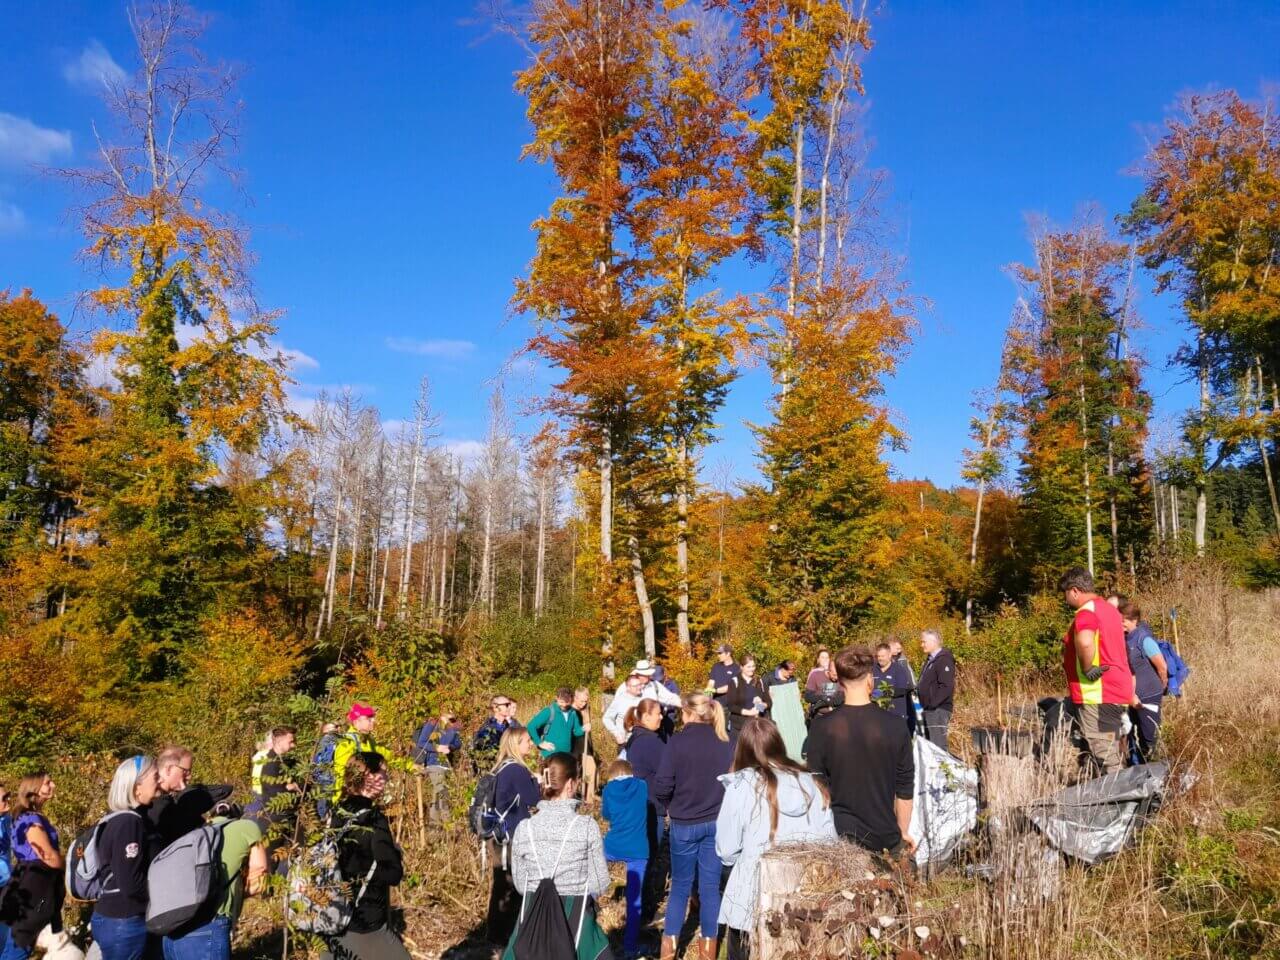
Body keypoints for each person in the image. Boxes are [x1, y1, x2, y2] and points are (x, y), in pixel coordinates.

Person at [715, 719, 836, 960]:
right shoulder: (810, 782)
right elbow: (829, 841)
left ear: (743, 749)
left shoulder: (743, 785)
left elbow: (726, 850)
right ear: (778, 744)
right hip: (804, 892)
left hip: (753, 895)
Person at [805, 646, 916, 859]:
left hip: (840, 837)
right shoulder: (895, 726)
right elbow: (904, 789)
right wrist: (903, 831)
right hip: (886, 837)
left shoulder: (823, 727)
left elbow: (816, 783)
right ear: (870, 680)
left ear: (839, 682)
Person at [503, 754, 611, 960]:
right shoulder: (586, 826)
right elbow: (600, 882)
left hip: (533, 918)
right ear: (571, 784)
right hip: (575, 920)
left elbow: (520, 884)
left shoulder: (525, 828)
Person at [654, 693, 733, 960]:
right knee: (710, 888)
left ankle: (668, 951)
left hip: (684, 822)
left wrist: (669, 805)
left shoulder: (677, 743)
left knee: (680, 886)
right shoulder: (726, 741)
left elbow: (662, 785)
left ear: (688, 713)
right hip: (715, 821)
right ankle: (708, 951)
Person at [323, 752, 409, 960]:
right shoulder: (373, 818)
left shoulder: (338, 811)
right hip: (366, 921)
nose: (386, 779)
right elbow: (392, 875)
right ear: (368, 776)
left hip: (334, 914)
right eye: (383, 773)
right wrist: (395, 854)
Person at [162, 800, 267, 960]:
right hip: (209, 926)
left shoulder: (195, 833)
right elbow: (260, 879)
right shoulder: (247, 827)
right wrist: (236, 892)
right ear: (237, 813)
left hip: (170, 933)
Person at [1059, 567, 1133, 775]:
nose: (1066, 600)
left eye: (1066, 595)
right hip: (1115, 691)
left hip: (1098, 694)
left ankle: (1121, 802)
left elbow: (1084, 641)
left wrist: (1087, 667)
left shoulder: (1087, 611)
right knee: (1113, 749)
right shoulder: (1109, 610)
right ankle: (1119, 796)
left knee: (1105, 754)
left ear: (1074, 591)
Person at [92, 756, 161, 960]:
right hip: (124, 920)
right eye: (155, 777)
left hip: (117, 919)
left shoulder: (118, 819)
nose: (159, 782)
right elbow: (130, 882)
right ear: (136, 786)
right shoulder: (129, 823)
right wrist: (161, 896)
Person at [485, 727, 540, 947]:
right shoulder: (517, 770)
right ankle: (505, 934)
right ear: (516, 744)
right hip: (511, 836)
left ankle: (495, 933)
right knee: (512, 884)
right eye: (527, 741)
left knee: (501, 884)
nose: (531, 744)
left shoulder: (501, 766)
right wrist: (537, 780)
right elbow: (534, 798)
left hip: (498, 834)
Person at [0, 773, 64, 960]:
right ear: (34, 788)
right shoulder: (29, 820)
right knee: (18, 947)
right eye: (47, 782)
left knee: (16, 945)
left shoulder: (21, 818)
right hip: (33, 887)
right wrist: (67, 864)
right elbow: (48, 856)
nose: (52, 785)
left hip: (27, 886)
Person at [623, 699, 668, 917]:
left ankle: (640, 909)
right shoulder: (650, 742)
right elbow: (668, 772)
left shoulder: (637, 737)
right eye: (658, 713)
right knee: (646, 860)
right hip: (651, 806)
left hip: (641, 804)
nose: (661, 717)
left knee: (643, 859)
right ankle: (641, 912)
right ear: (646, 716)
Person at [601, 760, 648, 960]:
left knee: (593, 874)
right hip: (638, 848)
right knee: (634, 899)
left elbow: (606, 815)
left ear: (612, 775)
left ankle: (589, 904)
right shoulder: (642, 786)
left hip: (612, 845)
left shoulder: (608, 789)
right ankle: (630, 947)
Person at [330, 703, 419, 802]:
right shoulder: (347, 743)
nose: (373, 720)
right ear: (356, 721)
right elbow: (341, 776)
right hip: (348, 803)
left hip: (364, 799)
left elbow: (389, 757)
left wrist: (411, 766)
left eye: (373, 717)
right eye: (369, 718)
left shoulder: (368, 741)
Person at [146, 747, 233, 846]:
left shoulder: (165, 800)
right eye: (185, 771)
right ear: (169, 769)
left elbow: (226, 789)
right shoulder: (154, 804)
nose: (189, 776)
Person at [1119, 599, 1169, 764]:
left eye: (1123, 621)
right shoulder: (1124, 638)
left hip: (1148, 695)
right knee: (1132, 734)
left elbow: (1161, 667)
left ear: (1134, 620)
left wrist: (1161, 688)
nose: (1121, 625)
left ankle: (1154, 767)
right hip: (1131, 697)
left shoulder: (1144, 639)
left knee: (1149, 736)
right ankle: (1137, 768)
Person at [250, 727, 300, 874]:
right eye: (291, 742)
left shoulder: (285, 762)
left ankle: (278, 891)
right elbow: (275, 795)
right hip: (273, 818)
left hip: (285, 817)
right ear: (278, 741)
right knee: (270, 860)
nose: (294, 745)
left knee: (285, 859)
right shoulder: (270, 763)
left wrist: (293, 786)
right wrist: (291, 788)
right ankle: (267, 892)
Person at [602, 663, 682, 752]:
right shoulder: (624, 689)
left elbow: (670, 698)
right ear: (637, 674)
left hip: (651, 736)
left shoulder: (654, 685)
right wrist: (617, 733)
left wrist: (685, 704)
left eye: (649, 674)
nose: (649, 677)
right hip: (628, 740)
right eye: (646, 675)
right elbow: (610, 714)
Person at [413, 711, 462, 823]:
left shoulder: (453, 726)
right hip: (434, 763)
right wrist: (437, 748)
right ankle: (447, 822)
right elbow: (421, 742)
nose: (451, 711)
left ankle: (434, 824)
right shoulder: (432, 723)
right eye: (448, 708)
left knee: (438, 794)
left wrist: (450, 746)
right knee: (443, 792)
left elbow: (458, 743)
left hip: (447, 764)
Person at [916, 630, 957, 748]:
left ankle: (942, 766)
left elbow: (946, 686)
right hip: (930, 709)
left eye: (924, 642)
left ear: (933, 642)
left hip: (938, 709)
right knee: (931, 745)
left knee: (938, 746)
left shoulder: (944, 659)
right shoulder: (931, 660)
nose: (921, 645)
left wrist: (932, 704)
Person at [724, 654, 773, 740]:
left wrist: (761, 705)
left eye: (753, 666)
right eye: (748, 667)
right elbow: (731, 706)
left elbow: (769, 703)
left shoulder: (759, 681)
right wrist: (749, 712)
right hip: (739, 728)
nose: (752, 669)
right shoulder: (735, 682)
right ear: (741, 667)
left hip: (757, 726)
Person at [529, 688, 588, 758]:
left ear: (571, 699)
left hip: (566, 754)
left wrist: (583, 729)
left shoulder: (573, 713)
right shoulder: (549, 711)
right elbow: (531, 726)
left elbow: (576, 732)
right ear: (556, 698)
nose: (564, 705)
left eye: (567, 702)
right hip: (550, 754)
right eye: (561, 702)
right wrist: (539, 743)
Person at [872, 643, 915, 729]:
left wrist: (882, 693)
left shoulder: (899, 670)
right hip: (877, 715)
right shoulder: (873, 669)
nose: (880, 659)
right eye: (878, 656)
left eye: (882, 656)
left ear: (889, 655)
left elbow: (902, 690)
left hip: (895, 714)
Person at [473, 696, 515, 771]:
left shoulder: (508, 724)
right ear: (495, 708)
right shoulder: (488, 727)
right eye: (506, 705)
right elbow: (484, 751)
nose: (509, 707)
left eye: (510, 704)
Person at [310, 722, 342, 819]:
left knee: (323, 799)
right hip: (327, 774)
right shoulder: (331, 739)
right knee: (327, 800)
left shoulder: (321, 741)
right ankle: (326, 820)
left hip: (322, 774)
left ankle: (324, 819)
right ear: (326, 730)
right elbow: (327, 758)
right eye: (336, 726)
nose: (339, 728)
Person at [802, 658, 843, 723]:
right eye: (834, 675)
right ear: (829, 671)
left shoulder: (842, 678)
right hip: (819, 717)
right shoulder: (816, 675)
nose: (837, 677)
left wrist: (826, 700)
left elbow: (839, 699)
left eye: (839, 675)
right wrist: (822, 698)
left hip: (836, 717)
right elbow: (808, 696)